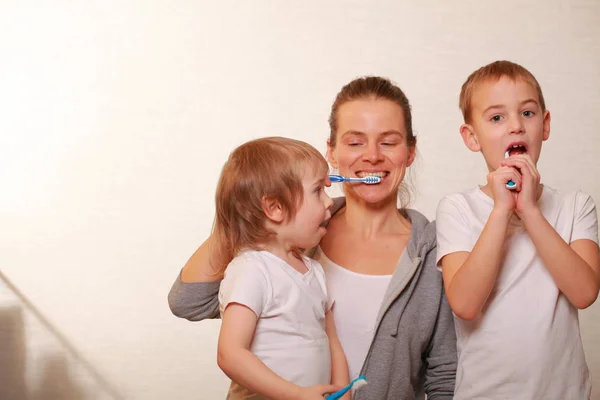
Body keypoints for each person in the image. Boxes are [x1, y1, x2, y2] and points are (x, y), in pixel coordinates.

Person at [169, 76, 457, 400]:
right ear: (332, 153)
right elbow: (189, 303)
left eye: (388, 142)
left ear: (410, 152)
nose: (373, 156)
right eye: (355, 142)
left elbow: (444, 373)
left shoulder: (436, 249)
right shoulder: (293, 235)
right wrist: (249, 206)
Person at [436, 60, 600, 399]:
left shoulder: (576, 206)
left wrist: (529, 210)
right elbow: (465, 304)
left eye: (527, 113)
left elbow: (585, 293)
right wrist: (502, 209)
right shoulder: (457, 209)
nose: (516, 127)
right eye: (497, 118)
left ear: (546, 125)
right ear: (471, 137)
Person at [211, 137, 347, 399]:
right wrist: (295, 394)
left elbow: (333, 344)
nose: (330, 201)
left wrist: (342, 392)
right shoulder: (252, 270)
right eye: (318, 190)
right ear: (275, 208)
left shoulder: (315, 271)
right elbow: (230, 354)